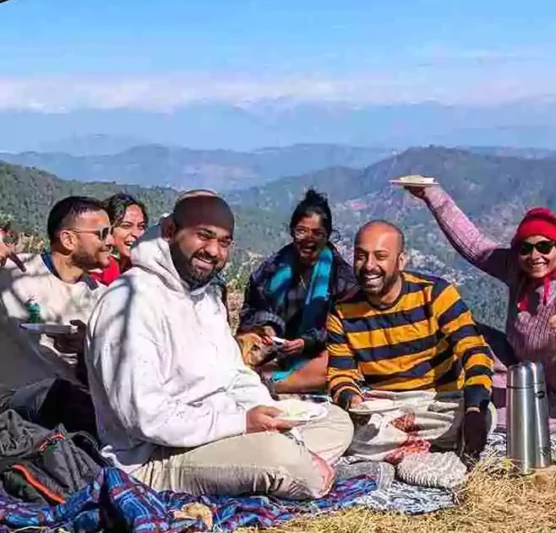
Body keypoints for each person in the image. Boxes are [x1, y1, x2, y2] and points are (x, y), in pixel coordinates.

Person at [85, 194, 353, 499]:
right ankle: (303, 470)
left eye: (224, 242)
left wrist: (270, 415)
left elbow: (236, 375)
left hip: (220, 432)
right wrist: (241, 423)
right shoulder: (129, 303)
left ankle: (292, 465)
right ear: (171, 230)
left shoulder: (205, 297)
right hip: (157, 458)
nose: (213, 251)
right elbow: (144, 417)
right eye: (204, 235)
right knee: (282, 458)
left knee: (335, 421)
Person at [404, 183, 556, 432]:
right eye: (526, 247)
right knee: (458, 330)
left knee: (477, 413)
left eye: (544, 246)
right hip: (524, 370)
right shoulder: (518, 271)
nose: (535, 255)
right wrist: (431, 193)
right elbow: (475, 246)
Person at [327, 220, 494, 464]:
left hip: (440, 402)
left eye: (380, 256)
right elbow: (340, 374)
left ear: (401, 261)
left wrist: (473, 411)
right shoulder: (342, 310)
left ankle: (400, 450)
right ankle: (431, 451)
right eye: (361, 256)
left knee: (484, 413)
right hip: (384, 406)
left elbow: (474, 350)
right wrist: (351, 399)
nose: (369, 266)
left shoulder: (435, 294)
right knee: (337, 424)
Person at [238, 189, 356, 395]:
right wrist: (267, 328)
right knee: (238, 347)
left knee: (332, 365)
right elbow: (252, 308)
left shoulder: (341, 276)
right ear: (292, 231)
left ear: (328, 235)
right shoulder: (272, 269)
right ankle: (270, 377)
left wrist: (307, 343)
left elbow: (348, 328)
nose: (309, 239)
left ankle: (274, 384)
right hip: (275, 351)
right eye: (302, 231)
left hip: (318, 354)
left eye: (318, 233)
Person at [0, 196, 112, 391]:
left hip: (75, 408)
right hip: (12, 405)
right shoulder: (13, 271)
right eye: (102, 234)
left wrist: (87, 349)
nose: (110, 241)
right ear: (68, 239)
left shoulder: (104, 298)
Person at [90, 193, 148, 285]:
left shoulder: (143, 268)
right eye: (126, 226)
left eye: (141, 227)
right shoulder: (96, 269)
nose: (136, 234)